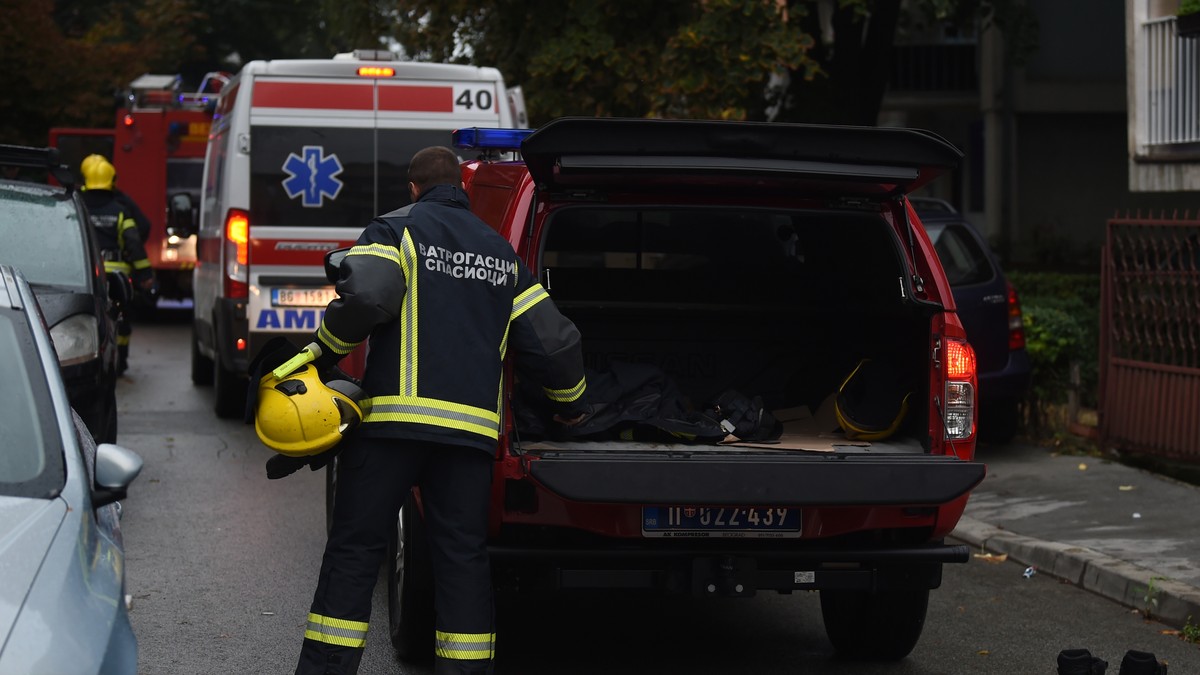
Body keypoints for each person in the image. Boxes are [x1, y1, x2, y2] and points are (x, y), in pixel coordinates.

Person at [291, 146, 589, 675]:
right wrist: (572, 408)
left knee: (356, 551)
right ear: (463, 192)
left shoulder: (394, 231)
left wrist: (320, 353)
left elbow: (365, 302)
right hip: (468, 442)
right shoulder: (501, 254)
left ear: (413, 189)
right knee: (463, 561)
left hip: (392, 431)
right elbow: (554, 344)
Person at [80, 154, 156, 375]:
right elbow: (134, 242)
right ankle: (120, 362)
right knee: (122, 318)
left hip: (86, 275)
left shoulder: (77, 207)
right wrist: (145, 276)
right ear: (111, 179)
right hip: (117, 280)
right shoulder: (120, 211)